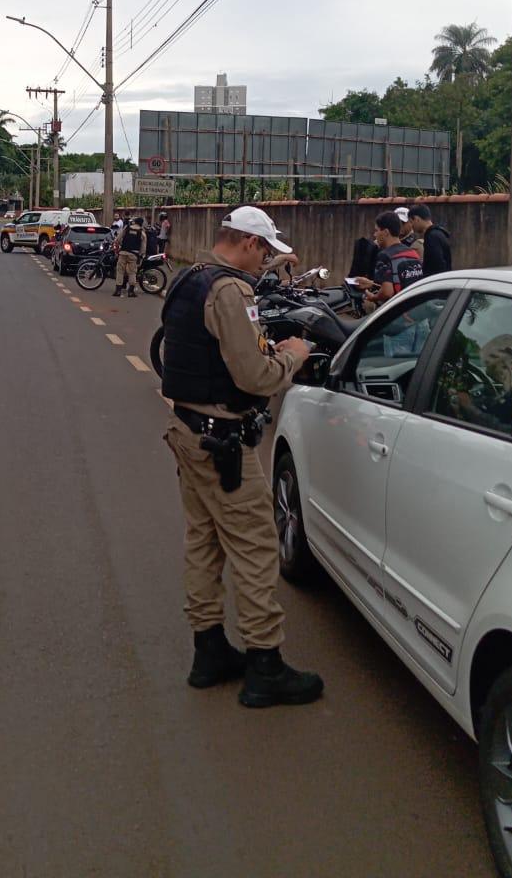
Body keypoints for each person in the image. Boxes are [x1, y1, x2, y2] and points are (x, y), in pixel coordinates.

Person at [161, 205, 323, 709]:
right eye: (265, 252)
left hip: (189, 434)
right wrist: (293, 354)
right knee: (255, 547)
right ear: (250, 243)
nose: (265, 262)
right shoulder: (232, 292)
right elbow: (255, 376)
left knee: (204, 542)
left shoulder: (192, 277)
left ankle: (208, 650)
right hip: (223, 443)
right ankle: (265, 665)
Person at [353, 211, 423, 308]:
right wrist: (371, 283)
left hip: (398, 315)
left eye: (377, 230)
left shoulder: (385, 256)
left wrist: (373, 297)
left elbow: (387, 292)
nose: (375, 235)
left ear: (386, 232)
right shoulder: (413, 253)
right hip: (417, 311)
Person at [407, 203, 452, 277]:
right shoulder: (439, 234)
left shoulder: (432, 237)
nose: (412, 226)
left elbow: (437, 266)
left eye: (411, 222)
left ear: (417, 219)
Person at [114, 214, 146, 298]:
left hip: (123, 253)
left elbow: (118, 239)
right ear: (141, 224)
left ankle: (118, 291)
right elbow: (143, 248)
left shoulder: (127, 228)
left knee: (120, 271)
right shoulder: (142, 232)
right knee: (132, 272)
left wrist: (121, 245)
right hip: (134, 255)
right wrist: (141, 255)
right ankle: (131, 292)